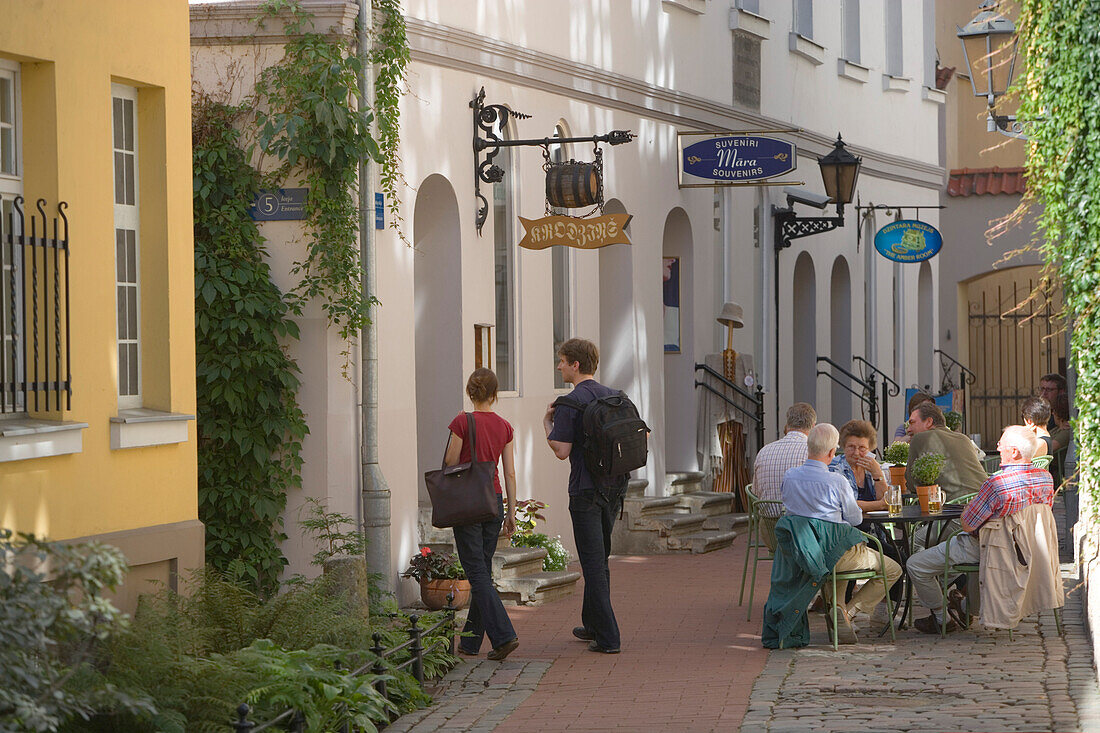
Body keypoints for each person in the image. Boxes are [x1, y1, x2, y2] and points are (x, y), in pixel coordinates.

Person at [906, 426, 1055, 634]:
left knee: (915, 564)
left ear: (1014, 452)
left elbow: (968, 524)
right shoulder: (1046, 479)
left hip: (990, 548)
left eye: (1001, 443)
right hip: (1027, 549)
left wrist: (969, 509)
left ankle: (942, 618)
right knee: (976, 556)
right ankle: (965, 606)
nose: (997, 446)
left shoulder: (997, 483)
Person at [781, 424, 902, 644]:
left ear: (871, 449)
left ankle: (838, 612)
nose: (857, 453)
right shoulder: (835, 475)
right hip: (840, 546)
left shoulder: (790, 476)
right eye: (851, 447)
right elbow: (855, 517)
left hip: (805, 550)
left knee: (847, 551)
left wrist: (876, 474)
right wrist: (877, 504)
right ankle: (848, 613)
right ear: (835, 451)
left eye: (862, 448)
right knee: (893, 568)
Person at [544, 338, 623, 654]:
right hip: (614, 487)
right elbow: (641, 434)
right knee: (600, 557)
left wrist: (547, 423)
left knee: (591, 563)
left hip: (585, 490)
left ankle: (609, 637)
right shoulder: (615, 397)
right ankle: (592, 624)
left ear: (575, 365)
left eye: (562, 360)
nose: (559, 366)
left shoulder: (569, 402)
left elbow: (562, 451)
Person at [445, 368, 519, 661]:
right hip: (494, 500)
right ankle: (471, 642)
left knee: (476, 572)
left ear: (470, 393)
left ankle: (503, 636)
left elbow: (451, 461)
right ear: (494, 394)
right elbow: (510, 472)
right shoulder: (505, 426)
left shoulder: (462, 422)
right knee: (482, 572)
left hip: (468, 503)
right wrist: (512, 511)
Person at [752, 403, 816, 551]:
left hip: (770, 533)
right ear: (813, 426)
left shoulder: (764, 451)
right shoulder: (813, 451)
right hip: (801, 535)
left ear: (787, 424)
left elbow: (756, 494)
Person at [905, 402, 987, 502]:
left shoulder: (919, 438)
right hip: (985, 501)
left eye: (912, 422)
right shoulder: (963, 438)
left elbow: (911, 484)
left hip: (956, 508)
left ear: (929, 422)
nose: (908, 429)